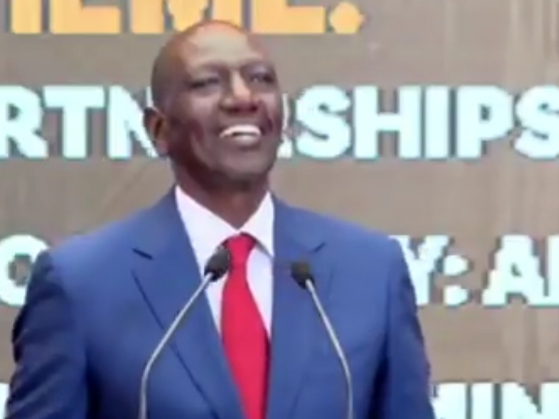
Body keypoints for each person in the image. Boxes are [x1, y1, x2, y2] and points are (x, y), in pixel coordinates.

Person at [6, 21, 435, 419]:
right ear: (158, 130)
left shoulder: (372, 271)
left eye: (260, 79)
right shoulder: (81, 284)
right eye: (208, 83)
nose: (243, 97)